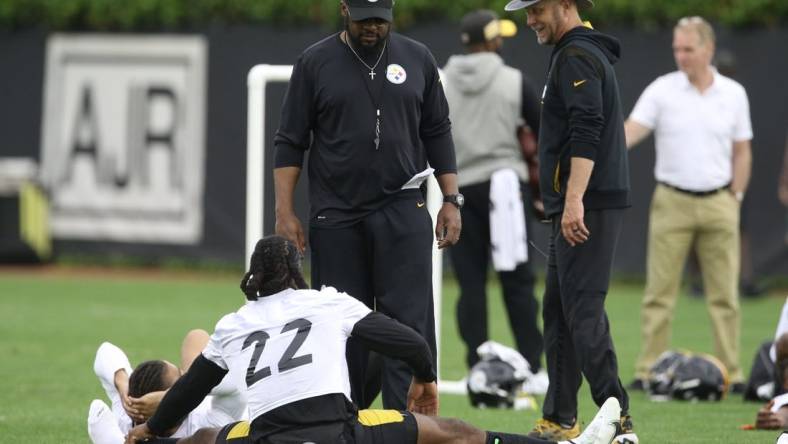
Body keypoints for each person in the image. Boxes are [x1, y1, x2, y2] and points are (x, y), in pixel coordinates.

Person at [125, 235, 622, 444]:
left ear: (253, 279)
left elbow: (184, 397)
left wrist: (152, 430)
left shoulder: (234, 323)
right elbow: (409, 344)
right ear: (295, 275)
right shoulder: (327, 300)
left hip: (266, 437)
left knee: (210, 436)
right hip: (339, 432)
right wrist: (425, 379)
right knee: (454, 433)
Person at [272, 0, 462, 410]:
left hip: (403, 206)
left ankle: (401, 424)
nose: (372, 28)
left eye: (380, 19)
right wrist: (284, 213)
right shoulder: (315, 61)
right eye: (363, 20)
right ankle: (344, 420)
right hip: (337, 214)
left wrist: (450, 199)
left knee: (406, 326)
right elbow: (290, 140)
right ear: (344, 10)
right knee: (340, 324)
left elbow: (438, 130)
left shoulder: (418, 57)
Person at [502, 0, 634, 442]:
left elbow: (587, 127)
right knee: (558, 311)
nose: (529, 20)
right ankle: (560, 419)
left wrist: (573, 198)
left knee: (582, 310)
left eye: (537, 8)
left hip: (588, 202)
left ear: (566, 4)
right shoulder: (570, 52)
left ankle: (619, 421)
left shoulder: (577, 54)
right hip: (576, 202)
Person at [624, 16, 753, 394]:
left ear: (708, 49)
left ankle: (732, 370)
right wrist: (598, 147)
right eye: (676, 49)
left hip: (719, 201)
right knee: (659, 293)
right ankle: (648, 369)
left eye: (688, 49)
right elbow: (633, 129)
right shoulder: (662, 90)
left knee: (725, 295)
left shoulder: (733, 93)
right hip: (672, 200)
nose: (680, 56)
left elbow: (742, 150)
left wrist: (737, 196)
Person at [441, 8, 547, 393]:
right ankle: (532, 366)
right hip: (505, 188)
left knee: (470, 284)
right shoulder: (513, 80)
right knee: (516, 281)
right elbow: (543, 131)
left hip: (460, 191)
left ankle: (477, 367)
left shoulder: (441, 81)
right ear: (492, 41)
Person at [88, 330, 247, 444]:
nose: (186, 379)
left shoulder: (126, 410)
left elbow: (105, 350)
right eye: (181, 377)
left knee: (196, 337)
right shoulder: (207, 418)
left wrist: (122, 383)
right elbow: (106, 351)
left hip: (247, 418)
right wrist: (125, 388)